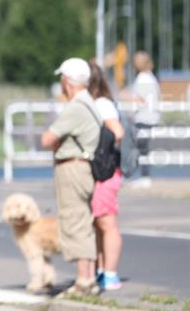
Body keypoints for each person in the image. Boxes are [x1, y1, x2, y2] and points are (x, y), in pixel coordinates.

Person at [40, 58, 101, 295]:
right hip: (84, 167)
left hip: (73, 168)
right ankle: (88, 277)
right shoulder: (90, 103)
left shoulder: (76, 107)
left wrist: (55, 143)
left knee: (74, 221)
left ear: (67, 81)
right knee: (83, 222)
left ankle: (83, 281)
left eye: (62, 79)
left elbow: (47, 139)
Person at [87, 61, 124, 291]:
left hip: (106, 171)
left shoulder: (101, 104)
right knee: (99, 222)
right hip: (103, 170)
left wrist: (100, 148)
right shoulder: (99, 103)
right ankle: (101, 270)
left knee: (107, 223)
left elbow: (117, 132)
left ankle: (110, 273)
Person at [121, 51, 161, 188]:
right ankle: (143, 176)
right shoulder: (151, 77)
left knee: (140, 148)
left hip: (144, 117)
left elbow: (141, 100)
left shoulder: (143, 78)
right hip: (150, 117)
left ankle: (144, 176)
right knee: (142, 148)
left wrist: (126, 96)